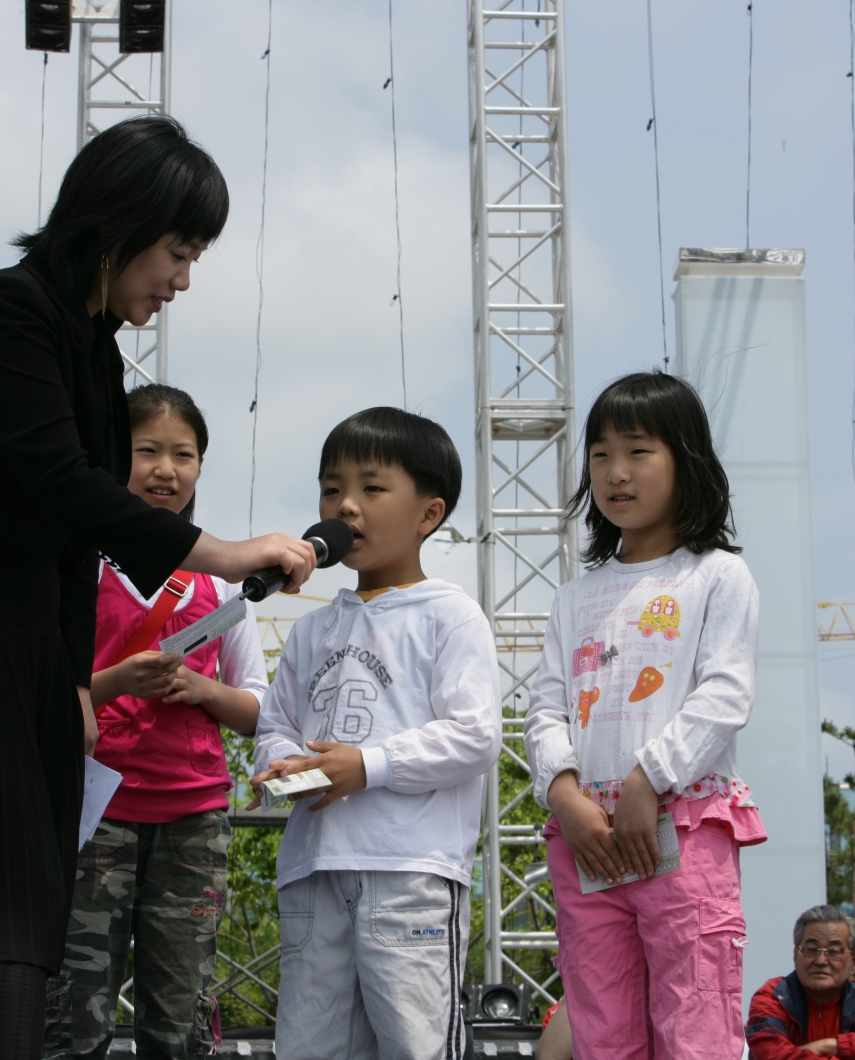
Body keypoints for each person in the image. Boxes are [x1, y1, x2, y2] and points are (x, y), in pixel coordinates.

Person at [0, 116, 316, 1060]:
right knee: (5, 909)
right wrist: (219, 552)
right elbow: (63, 486)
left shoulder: (91, 345)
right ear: (117, 228)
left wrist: (65, 680)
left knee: (20, 912)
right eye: (177, 251)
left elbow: (66, 543)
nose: (181, 279)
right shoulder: (7, 314)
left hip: (17, 632)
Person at [523, 371, 766, 1059]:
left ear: (686, 460)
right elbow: (543, 709)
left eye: (637, 450)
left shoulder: (718, 575)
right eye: (600, 454)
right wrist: (563, 793)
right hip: (586, 839)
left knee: (696, 1025)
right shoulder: (575, 597)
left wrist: (647, 780)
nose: (615, 472)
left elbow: (724, 693)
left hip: (681, 824)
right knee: (602, 1030)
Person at [249, 407, 501, 1060]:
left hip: (408, 870)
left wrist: (369, 764)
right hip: (314, 869)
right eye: (331, 489)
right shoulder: (309, 630)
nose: (346, 506)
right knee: (308, 1046)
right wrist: (288, 769)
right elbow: (275, 726)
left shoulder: (450, 614)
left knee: (415, 1045)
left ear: (429, 513)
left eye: (371, 487)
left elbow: (475, 736)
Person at [45, 384, 268, 1058]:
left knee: (180, 1014)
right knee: (74, 1009)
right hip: (90, 814)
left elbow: (257, 708)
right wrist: (116, 682)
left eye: (184, 453)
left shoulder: (224, 585)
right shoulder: (72, 567)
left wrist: (202, 688)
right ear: (114, 456)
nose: (166, 469)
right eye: (147, 451)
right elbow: (42, 691)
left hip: (192, 817)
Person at [745, 905, 855, 1060]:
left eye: (834, 951)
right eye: (811, 950)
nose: (821, 960)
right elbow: (771, 1055)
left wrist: (831, 1045)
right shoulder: (773, 997)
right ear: (796, 955)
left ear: (854, 961)